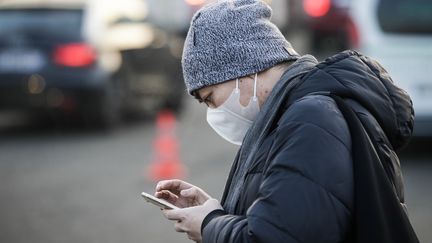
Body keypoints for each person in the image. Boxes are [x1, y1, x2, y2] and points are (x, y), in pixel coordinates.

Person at [154, 0, 418, 242]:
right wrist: (217, 211)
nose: (213, 111)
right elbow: (284, 215)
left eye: (210, 97)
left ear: (244, 70)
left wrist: (209, 225)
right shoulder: (291, 115)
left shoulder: (311, 120)